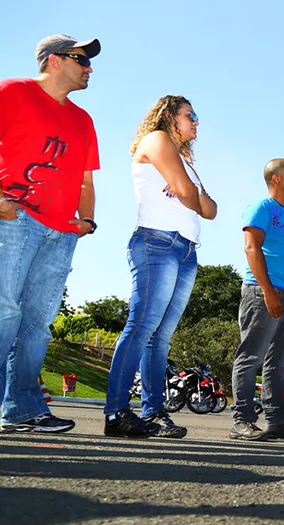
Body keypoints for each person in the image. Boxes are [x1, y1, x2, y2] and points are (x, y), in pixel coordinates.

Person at [0, 35, 102, 435]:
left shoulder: (82, 119)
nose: (89, 68)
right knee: (4, 311)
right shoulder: (12, 91)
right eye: (81, 59)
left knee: (38, 323)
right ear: (54, 61)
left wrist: (86, 221)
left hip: (61, 231)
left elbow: (86, 179)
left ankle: (20, 407)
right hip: (14, 218)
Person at [101, 95, 216, 439]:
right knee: (141, 328)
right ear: (169, 115)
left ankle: (152, 413)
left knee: (160, 338)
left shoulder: (184, 161)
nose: (196, 122)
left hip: (184, 250)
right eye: (190, 115)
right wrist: (187, 189)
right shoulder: (157, 140)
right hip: (157, 244)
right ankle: (116, 413)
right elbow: (188, 193)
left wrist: (187, 188)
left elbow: (210, 210)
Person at [229, 158, 284, 441]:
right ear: (276, 179)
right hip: (261, 292)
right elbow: (251, 248)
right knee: (251, 356)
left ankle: (277, 420)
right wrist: (267, 290)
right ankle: (242, 421)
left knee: (280, 362)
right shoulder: (261, 208)